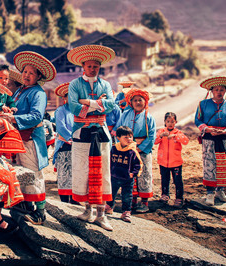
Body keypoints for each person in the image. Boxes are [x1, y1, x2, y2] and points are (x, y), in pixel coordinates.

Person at [66, 45, 117, 231]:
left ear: (99, 67)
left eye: (96, 66)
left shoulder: (106, 85)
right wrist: (99, 103)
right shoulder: (74, 84)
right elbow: (72, 107)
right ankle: (87, 210)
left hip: (101, 132)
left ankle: (102, 214)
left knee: (103, 172)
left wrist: (87, 102)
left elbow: (112, 105)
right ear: (83, 66)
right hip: (81, 132)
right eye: (89, 66)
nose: (92, 69)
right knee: (82, 171)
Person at [3, 51, 57, 225]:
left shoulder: (38, 93)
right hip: (20, 138)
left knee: (33, 173)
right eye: (25, 72)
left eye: (31, 73)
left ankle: (40, 212)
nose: (26, 75)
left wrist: (14, 118)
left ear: (38, 76)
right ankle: (26, 205)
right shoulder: (20, 90)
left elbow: (35, 116)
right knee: (24, 172)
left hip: (31, 139)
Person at [194, 76, 226, 206]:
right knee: (210, 165)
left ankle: (220, 191)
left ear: (225, 91)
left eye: (222, 90)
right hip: (209, 138)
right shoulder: (203, 104)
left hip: (225, 139)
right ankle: (210, 193)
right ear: (212, 91)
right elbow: (198, 120)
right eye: (216, 89)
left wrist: (225, 131)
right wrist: (208, 129)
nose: (219, 92)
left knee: (224, 165)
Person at [115, 88, 156, 213]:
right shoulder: (125, 114)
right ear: (131, 102)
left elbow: (152, 135)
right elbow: (119, 130)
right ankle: (131, 201)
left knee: (144, 174)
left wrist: (140, 147)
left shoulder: (149, 117)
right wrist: (122, 146)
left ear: (145, 102)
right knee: (129, 174)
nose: (138, 102)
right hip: (127, 149)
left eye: (140, 100)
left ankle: (144, 202)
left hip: (142, 150)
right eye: (135, 100)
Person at [106, 126, 142, 224]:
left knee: (127, 196)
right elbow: (109, 160)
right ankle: (109, 207)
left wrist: (133, 173)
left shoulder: (132, 151)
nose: (129, 139)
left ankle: (126, 212)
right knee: (111, 193)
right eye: (125, 137)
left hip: (127, 178)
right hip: (114, 176)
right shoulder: (114, 148)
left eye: (130, 137)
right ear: (118, 137)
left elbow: (138, 164)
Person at [155, 112, 189, 207]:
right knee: (164, 179)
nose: (170, 123)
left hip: (176, 162)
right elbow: (155, 141)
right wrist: (161, 136)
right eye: (168, 121)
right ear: (165, 122)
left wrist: (175, 136)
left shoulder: (178, 133)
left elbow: (186, 141)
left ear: (176, 122)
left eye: (172, 121)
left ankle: (179, 198)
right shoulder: (161, 131)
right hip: (163, 162)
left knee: (177, 181)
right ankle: (165, 194)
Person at [52, 83, 74, 203]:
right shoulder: (60, 110)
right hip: (65, 145)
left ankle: (75, 200)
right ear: (64, 98)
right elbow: (61, 127)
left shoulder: (80, 111)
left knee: (77, 175)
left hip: (78, 145)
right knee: (64, 175)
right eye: (68, 96)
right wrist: (72, 138)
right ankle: (65, 201)